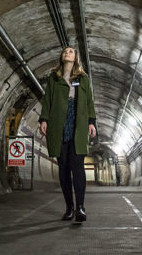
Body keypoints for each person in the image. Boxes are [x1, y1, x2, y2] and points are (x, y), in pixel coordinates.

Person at [38, 46, 97, 222]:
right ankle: (69, 207)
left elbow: (89, 101)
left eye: (71, 51)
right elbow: (47, 99)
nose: (67, 53)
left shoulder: (83, 78)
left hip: (77, 122)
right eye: (65, 51)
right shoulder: (54, 78)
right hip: (59, 122)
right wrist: (44, 119)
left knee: (77, 167)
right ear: (61, 57)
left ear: (76, 57)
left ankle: (80, 207)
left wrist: (91, 122)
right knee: (63, 168)